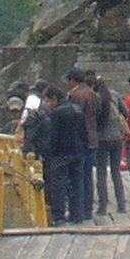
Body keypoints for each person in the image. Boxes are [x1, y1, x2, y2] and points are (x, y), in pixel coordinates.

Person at [43, 85, 86, 224]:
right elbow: (84, 132)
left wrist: (49, 152)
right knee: (77, 184)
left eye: (48, 100)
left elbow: (53, 137)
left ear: (54, 99)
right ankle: (77, 214)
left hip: (61, 154)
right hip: (78, 151)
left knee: (58, 185)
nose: (47, 104)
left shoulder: (56, 114)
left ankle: (58, 216)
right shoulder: (78, 109)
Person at [65, 67, 99, 222]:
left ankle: (78, 210)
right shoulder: (92, 93)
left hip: (81, 139)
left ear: (72, 80)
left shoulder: (76, 95)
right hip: (92, 138)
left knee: (77, 177)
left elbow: (74, 118)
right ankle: (88, 209)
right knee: (88, 176)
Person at [92, 74, 128, 216]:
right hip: (117, 138)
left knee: (101, 173)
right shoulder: (115, 95)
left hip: (102, 139)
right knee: (115, 172)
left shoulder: (95, 98)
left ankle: (103, 206)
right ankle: (121, 205)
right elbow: (126, 112)